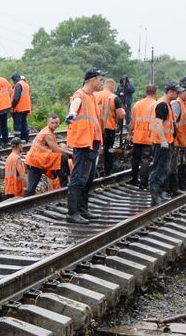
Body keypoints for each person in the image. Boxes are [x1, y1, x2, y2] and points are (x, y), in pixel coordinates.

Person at [65, 68, 105, 223]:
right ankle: (72, 213)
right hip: (83, 143)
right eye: (100, 79)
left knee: (87, 179)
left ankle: (83, 210)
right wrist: (72, 113)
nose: (101, 82)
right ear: (91, 80)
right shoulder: (80, 94)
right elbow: (75, 102)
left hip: (92, 142)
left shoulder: (92, 97)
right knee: (78, 178)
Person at [146, 84, 177, 207]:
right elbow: (158, 123)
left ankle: (158, 194)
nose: (177, 95)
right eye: (176, 92)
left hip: (164, 142)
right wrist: (164, 140)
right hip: (161, 143)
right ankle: (155, 196)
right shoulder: (162, 104)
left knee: (163, 168)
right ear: (170, 92)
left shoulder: (165, 104)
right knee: (159, 168)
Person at [24, 115, 69, 194]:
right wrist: (71, 153)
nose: (55, 125)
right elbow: (56, 149)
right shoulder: (47, 134)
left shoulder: (48, 131)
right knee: (63, 157)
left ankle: (64, 184)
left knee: (31, 188)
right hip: (36, 161)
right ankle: (64, 185)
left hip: (37, 160)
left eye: (56, 123)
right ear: (48, 123)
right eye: (53, 123)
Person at [128, 83, 159, 188]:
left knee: (135, 159)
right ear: (155, 92)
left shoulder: (137, 104)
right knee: (145, 160)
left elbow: (132, 122)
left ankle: (134, 179)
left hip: (137, 136)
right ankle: (143, 183)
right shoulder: (156, 105)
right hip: (149, 137)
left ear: (146, 92)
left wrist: (129, 134)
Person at [94, 82, 124, 175]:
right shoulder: (114, 98)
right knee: (108, 150)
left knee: (94, 149)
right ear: (113, 87)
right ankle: (107, 172)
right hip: (109, 128)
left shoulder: (95, 95)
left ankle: (93, 172)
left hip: (96, 127)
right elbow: (121, 115)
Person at [10, 73, 32, 141]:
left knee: (17, 125)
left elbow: (16, 98)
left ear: (14, 80)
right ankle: (25, 138)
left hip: (19, 108)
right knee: (24, 124)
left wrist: (12, 106)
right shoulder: (25, 84)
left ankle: (17, 140)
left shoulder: (18, 85)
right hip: (26, 107)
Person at [115, 75, 134, 145]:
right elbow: (116, 93)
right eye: (123, 81)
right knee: (120, 117)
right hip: (121, 103)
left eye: (125, 81)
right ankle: (119, 128)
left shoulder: (130, 86)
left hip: (127, 103)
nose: (124, 82)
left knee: (128, 117)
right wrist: (120, 93)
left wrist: (127, 87)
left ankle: (128, 129)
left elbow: (132, 90)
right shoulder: (119, 86)